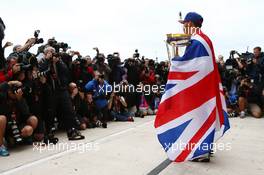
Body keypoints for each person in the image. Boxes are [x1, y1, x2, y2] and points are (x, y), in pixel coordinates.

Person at [155, 12, 230, 163]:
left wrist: (175, 61)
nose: (183, 27)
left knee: (198, 116)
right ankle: (205, 148)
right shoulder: (203, 39)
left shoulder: (197, 41)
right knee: (203, 114)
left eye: (184, 24)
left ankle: (200, 152)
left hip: (199, 88)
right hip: (204, 86)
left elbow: (190, 66)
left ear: (190, 24)